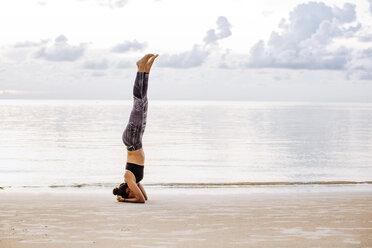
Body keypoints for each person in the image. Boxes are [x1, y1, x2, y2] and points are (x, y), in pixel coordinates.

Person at [113, 54, 159, 203]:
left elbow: (140, 200)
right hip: (136, 140)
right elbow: (144, 197)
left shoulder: (128, 177)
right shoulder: (135, 180)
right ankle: (145, 71)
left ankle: (140, 68)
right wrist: (133, 194)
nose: (134, 193)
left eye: (130, 194)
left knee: (139, 102)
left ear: (127, 190)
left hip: (133, 140)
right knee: (143, 103)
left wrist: (124, 200)